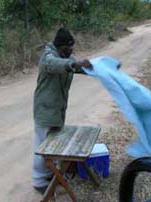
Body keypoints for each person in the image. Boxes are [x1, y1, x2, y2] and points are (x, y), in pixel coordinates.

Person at [32, 28, 92, 194]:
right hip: (45, 109)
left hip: (58, 110)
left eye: (72, 48)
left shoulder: (67, 59)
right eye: (68, 48)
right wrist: (75, 63)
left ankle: (51, 174)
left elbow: (77, 67)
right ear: (60, 46)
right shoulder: (48, 57)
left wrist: (100, 69)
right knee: (42, 146)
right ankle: (38, 180)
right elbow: (56, 65)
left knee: (54, 146)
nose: (71, 51)